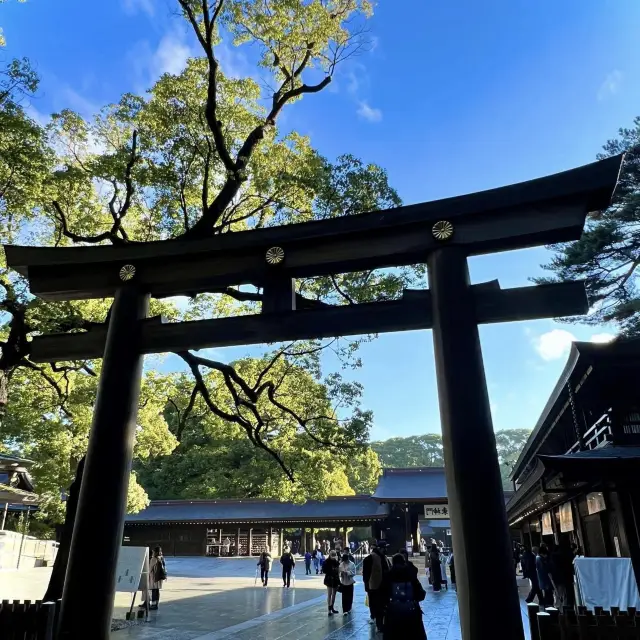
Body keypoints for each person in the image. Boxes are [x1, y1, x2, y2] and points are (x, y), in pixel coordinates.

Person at [382, 553, 427, 639]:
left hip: (393, 612)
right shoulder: (410, 575)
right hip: (411, 611)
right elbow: (421, 594)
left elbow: (383, 595)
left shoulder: (388, 575)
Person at [366, 540, 391, 632]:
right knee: (378, 607)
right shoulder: (371, 558)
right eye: (385, 548)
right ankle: (379, 625)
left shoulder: (385, 558)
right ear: (380, 548)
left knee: (384, 606)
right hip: (376, 587)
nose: (386, 550)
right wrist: (367, 586)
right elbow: (366, 574)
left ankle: (384, 624)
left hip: (385, 586)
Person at [551, 542, 575, 609]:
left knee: (559, 593)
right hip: (567, 577)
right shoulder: (568, 555)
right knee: (567, 594)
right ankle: (567, 607)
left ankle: (559, 607)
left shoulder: (553, 556)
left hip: (557, 578)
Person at [322, 549, 341, 616]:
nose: (333, 557)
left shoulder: (336, 562)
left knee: (333, 594)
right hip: (329, 578)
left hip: (335, 578)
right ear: (330, 555)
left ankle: (331, 607)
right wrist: (331, 571)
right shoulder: (326, 562)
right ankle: (329, 609)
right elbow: (324, 570)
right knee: (330, 594)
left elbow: (338, 571)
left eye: (334, 555)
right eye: (332, 555)